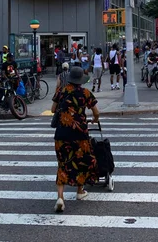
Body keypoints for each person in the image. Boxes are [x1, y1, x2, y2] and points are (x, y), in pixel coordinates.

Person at [51, 66, 100, 213]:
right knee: (82, 160)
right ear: (81, 80)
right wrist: (93, 120)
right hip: (79, 134)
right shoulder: (85, 93)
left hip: (62, 133)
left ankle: (60, 197)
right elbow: (96, 112)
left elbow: (53, 109)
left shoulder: (61, 91)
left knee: (62, 163)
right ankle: (80, 191)